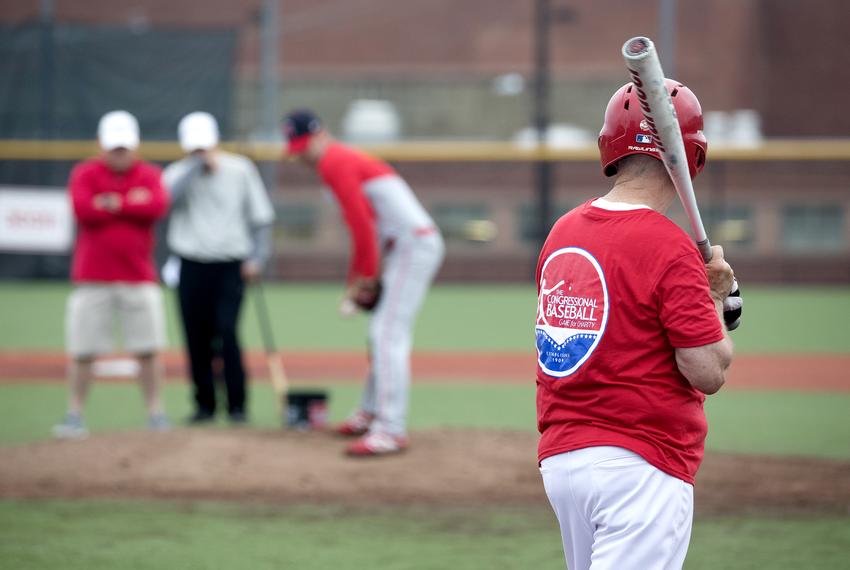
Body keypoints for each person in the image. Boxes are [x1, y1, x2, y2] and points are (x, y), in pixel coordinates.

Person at [534, 79, 737, 570]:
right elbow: (707, 369)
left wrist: (706, 295)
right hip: (641, 463)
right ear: (693, 157)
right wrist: (713, 301)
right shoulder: (668, 246)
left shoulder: (565, 229)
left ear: (610, 148)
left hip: (564, 461)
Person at [283, 109, 444, 457]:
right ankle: (370, 413)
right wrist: (359, 280)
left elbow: (362, 227)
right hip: (401, 246)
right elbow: (366, 227)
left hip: (411, 246)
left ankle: (390, 429)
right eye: (296, 148)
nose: (301, 154)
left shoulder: (333, 161)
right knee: (381, 331)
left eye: (304, 145)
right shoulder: (337, 160)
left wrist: (362, 280)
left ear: (320, 135)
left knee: (387, 334)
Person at [53, 110, 171, 439]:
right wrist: (127, 202)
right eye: (113, 147)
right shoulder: (85, 173)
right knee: (83, 350)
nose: (119, 153)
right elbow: (83, 209)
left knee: (148, 349)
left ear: (135, 146)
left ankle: (156, 414)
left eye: (124, 147)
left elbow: (156, 206)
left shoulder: (149, 174)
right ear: (100, 145)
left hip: (139, 276)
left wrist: (110, 202)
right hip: (92, 277)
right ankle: (75, 414)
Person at [163, 112, 275, 425]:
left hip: (231, 265)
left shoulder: (240, 170)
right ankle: (204, 404)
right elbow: (164, 203)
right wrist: (196, 168)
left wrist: (257, 258)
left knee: (226, 331)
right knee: (195, 336)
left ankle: (237, 404)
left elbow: (261, 218)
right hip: (191, 264)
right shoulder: (177, 174)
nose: (200, 152)